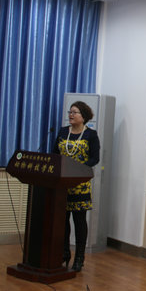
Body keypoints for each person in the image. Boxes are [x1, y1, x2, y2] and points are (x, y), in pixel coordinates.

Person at [53, 101, 100, 272]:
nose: (71, 115)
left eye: (75, 112)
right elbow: (55, 154)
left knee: (79, 222)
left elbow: (95, 158)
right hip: (62, 184)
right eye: (70, 112)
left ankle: (80, 257)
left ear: (84, 116)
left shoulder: (91, 135)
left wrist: (79, 169)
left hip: (79, 184)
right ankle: (64, 253)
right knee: (63, 221)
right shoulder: (62, 131)